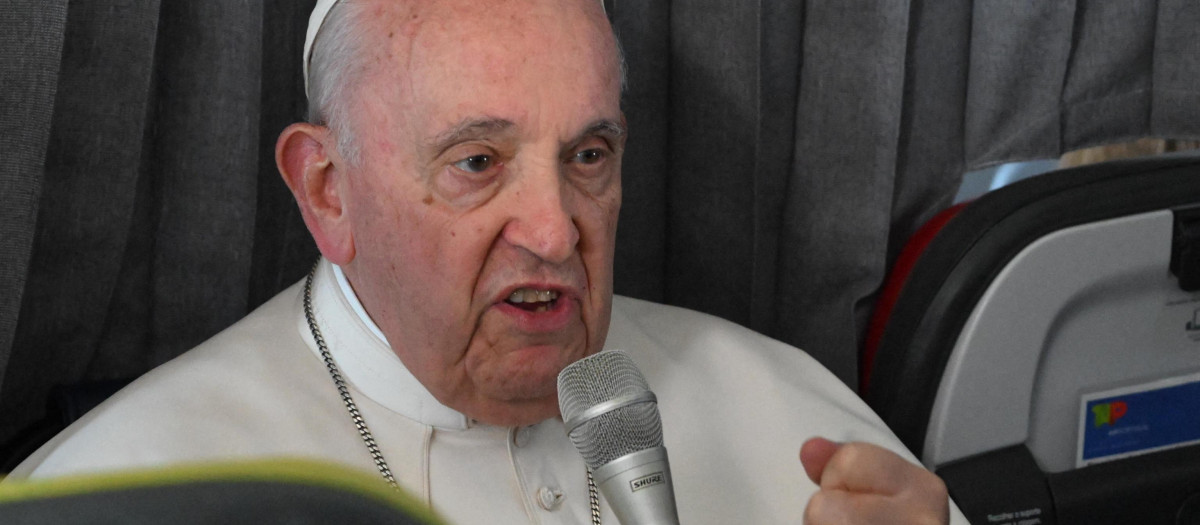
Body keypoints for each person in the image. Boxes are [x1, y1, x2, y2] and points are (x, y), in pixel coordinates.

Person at [10, 0, 967, 523]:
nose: (554, 232)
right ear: (328, 190)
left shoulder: (792, 418)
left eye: (587, 155)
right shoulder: (126, 488)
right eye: (477, 162)